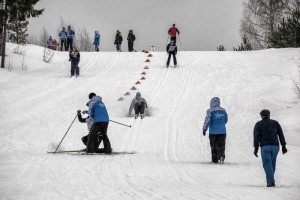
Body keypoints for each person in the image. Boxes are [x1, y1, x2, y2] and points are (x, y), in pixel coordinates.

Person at [253, 109, 287, 187]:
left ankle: (270, 182)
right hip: (275, 147)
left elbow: (256, 137)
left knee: (267, 164)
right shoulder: (275, 123)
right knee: (272, 163)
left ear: (261, 116)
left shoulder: (258, 124)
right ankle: (270, 180)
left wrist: (256, 148)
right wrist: (283, 146)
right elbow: (281, 134)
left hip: (265, 147)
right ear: (269, 115)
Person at [202, 97, 228, 164]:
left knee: (213, 145)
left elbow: (207, 120)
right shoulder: (223, 110)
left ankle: (215, 159)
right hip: (222, 131)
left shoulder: (210, 111)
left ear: (211, 103)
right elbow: (226, 120)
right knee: (221, 145)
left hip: (213, 132)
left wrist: (204, 129)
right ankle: (221, 156)